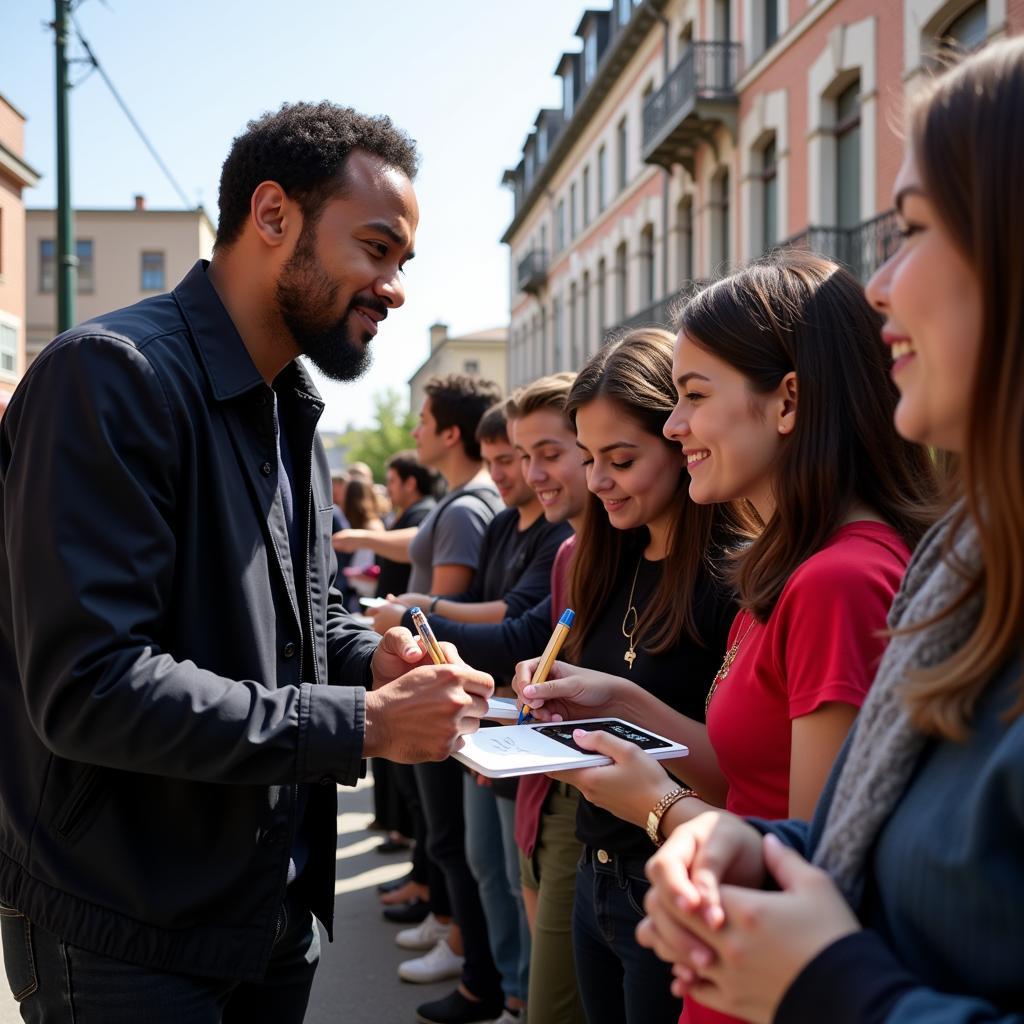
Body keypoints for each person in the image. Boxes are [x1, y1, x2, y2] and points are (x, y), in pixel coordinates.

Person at [0, 102, 495, 1024]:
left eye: (403, 262)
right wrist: (365, 723)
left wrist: (374, 661)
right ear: (273, 216)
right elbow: (91, 686)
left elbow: (314, 619)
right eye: (377, 248)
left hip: (268, 911)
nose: (394, 287)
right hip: (124, 931)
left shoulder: (289, 411)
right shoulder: (110, 377)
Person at [637, 39, 1024, 1024]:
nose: (878, 284)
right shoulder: (963, 566)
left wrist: (829, 986)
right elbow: (856, 841)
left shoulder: (856, 575)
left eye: (914, 228)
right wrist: (748, 847)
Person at [516, 252, 938, 1024]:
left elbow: (809, 870)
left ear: (787, 403)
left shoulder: (838, 582)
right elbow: (745, 778)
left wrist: (657, 804)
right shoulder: (783, 572)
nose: (676, 428)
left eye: (693, 396)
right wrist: (622, 701)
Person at [522, 330, 740, 1024]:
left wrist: (619, 700)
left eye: (620, 459)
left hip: (673, 885)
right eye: (588, 459)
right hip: (595, 872)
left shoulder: (733, 579)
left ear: (680, 442)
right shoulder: (601, 558)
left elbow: (742, 772)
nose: (596, 481)